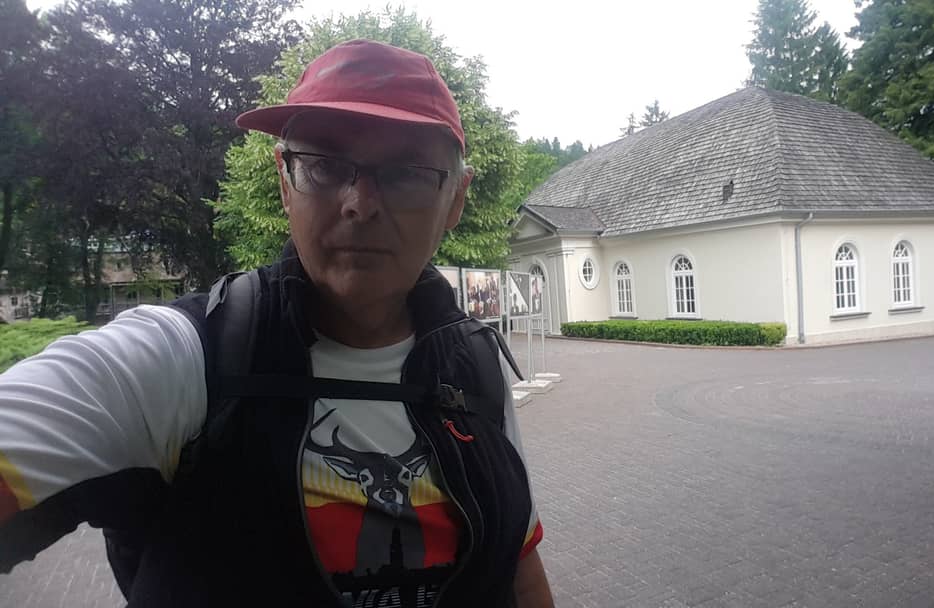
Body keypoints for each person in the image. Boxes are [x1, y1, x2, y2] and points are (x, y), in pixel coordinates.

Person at [0, 40, 552, 608]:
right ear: (286, 184)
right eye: (325, 165)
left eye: (406, 172)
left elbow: (519, 567)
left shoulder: (475, 368)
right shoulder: (184, 363)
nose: (360, 203)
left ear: (456, 199)